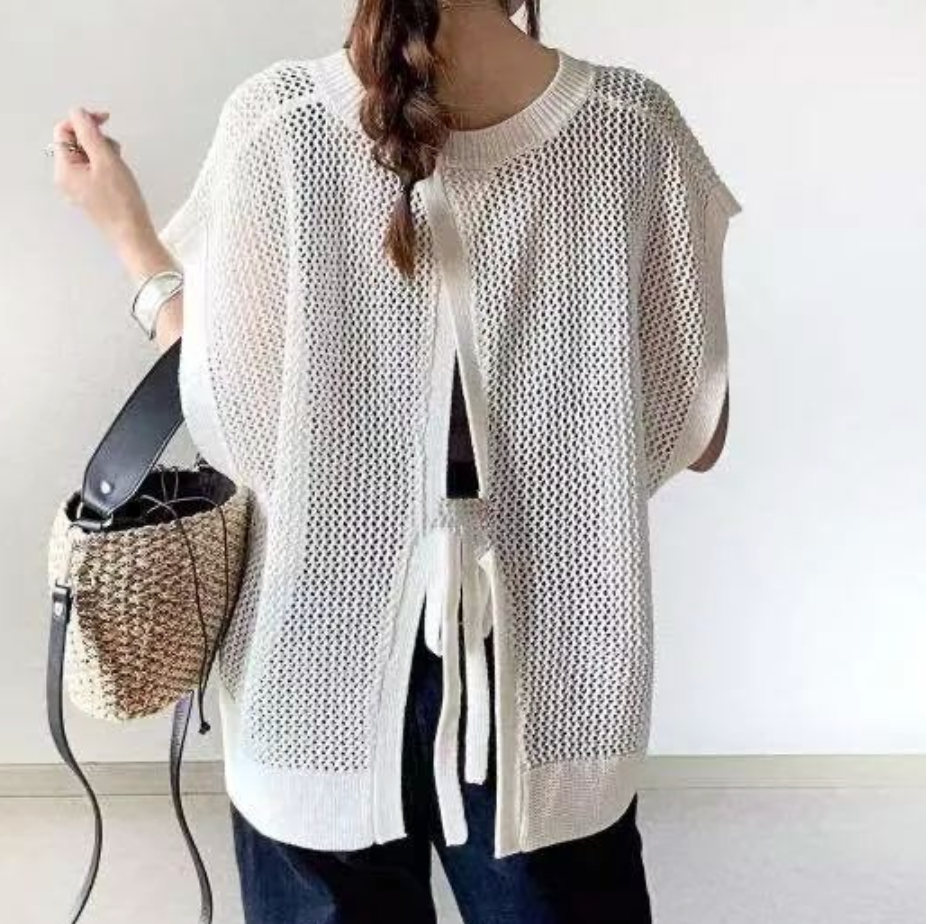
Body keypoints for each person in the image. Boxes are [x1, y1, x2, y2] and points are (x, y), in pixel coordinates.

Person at [49, 0, 741, 921]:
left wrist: (128, 232)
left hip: (313, 656)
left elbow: (235, 422)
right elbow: (696, 428)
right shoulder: (629, 128)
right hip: (555, 661)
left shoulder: (280, 124)